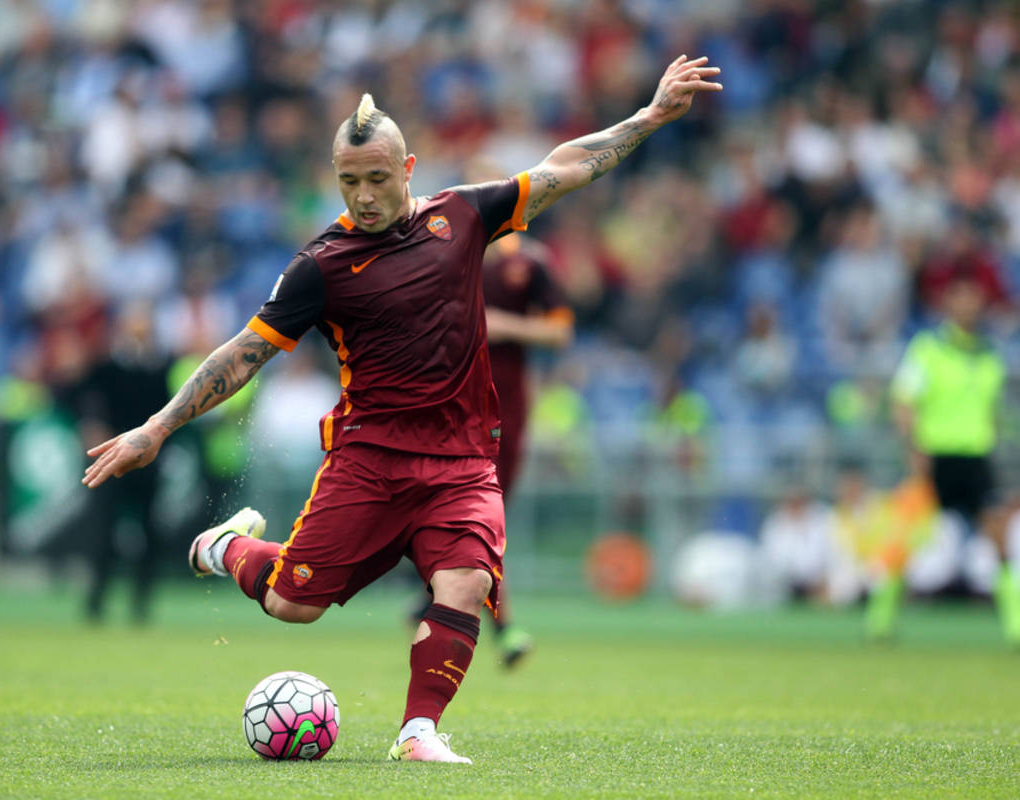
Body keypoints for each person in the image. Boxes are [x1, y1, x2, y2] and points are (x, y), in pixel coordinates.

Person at [83, 55, 722, 763]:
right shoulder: (320, 267)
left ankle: (419, 731)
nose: (364, 196)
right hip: (370, 462)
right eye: (349, 181)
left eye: (377, 178)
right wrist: (157, 428)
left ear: (408, 168)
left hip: (462, 460)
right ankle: (223, 545)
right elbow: (243, 353)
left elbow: (562, 169)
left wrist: (649, 116)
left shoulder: (462, 216)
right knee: (293, 603)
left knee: (466, 581)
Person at [409, 203, 575, 668]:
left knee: (483, 515)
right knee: (467, 513)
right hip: (445, 405)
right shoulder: (443, 255)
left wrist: (505, 325)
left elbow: (561, 332)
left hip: (504, 409)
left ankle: (442, 598)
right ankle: (500, 624)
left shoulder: (530, 262)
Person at [888, 270, 1019, 644]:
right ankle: (881, 616)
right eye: (961, 297)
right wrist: (914, 448)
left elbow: (994, 409)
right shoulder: (927, 349)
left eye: (974, 297)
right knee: (907, 535)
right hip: (935, 455)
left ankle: (1014, 622)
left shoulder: (990, 354)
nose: (968, 305)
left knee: (998, 536)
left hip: (976, 456)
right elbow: (904, 401)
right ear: (948, 303)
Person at [71, 302, 170, 624]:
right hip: (112, 458)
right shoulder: (106, 366)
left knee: (149, 533)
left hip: (147, 461)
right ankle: (96, 601)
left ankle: (141, 603)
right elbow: (81, 400)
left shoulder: (161, 367)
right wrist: (90, 426)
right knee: (103, 532)